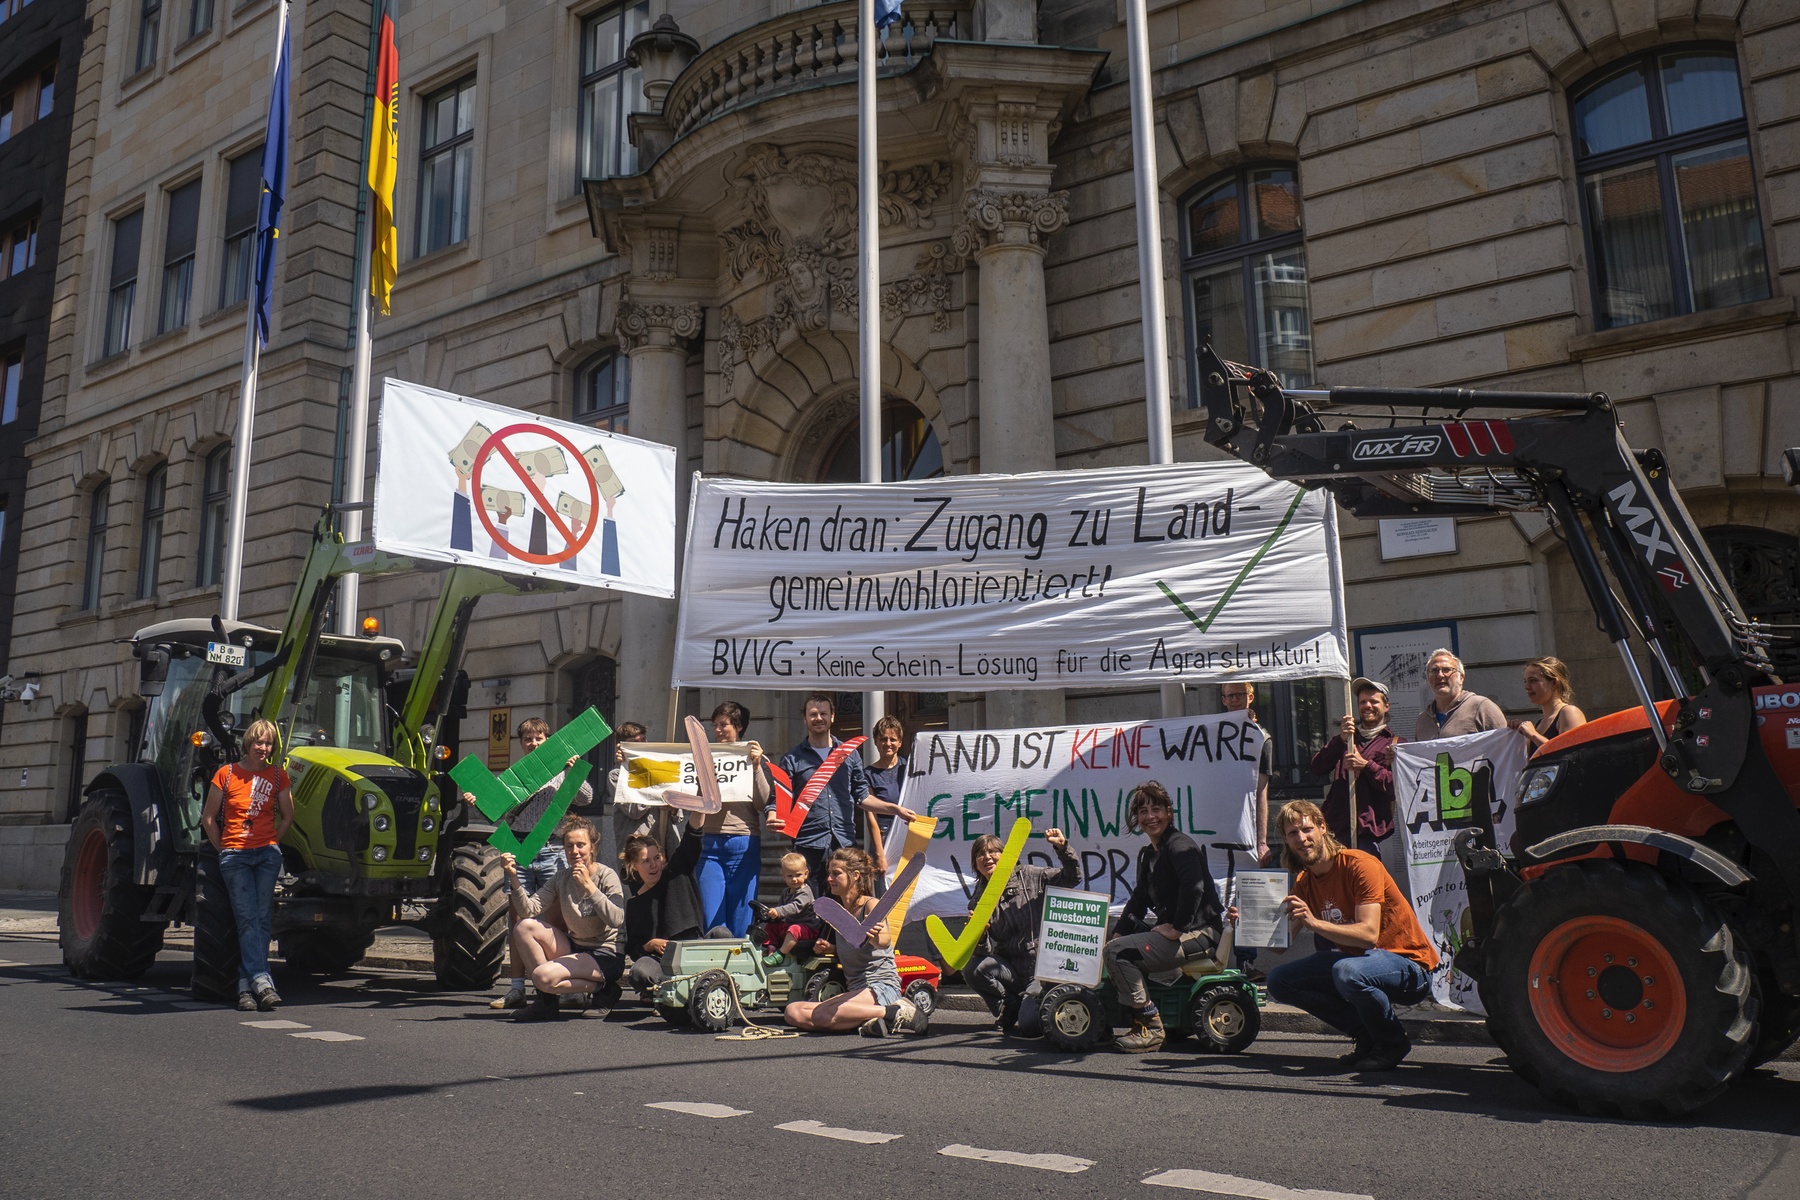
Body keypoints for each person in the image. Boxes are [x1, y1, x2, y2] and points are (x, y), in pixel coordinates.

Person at [1261, 800, 1440, 1070]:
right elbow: (1279, 947)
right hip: (1358, 965)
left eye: (1307, 829)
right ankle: (1367, 1033)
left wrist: (1314, 923)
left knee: (1346, 971)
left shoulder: (1360, 865)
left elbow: (1368, 935)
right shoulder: (1304, 881)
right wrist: (1246, 924)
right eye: (1292, 833)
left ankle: (1392, 1042)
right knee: (1279, 981)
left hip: (1408, 965)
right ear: (1286, 840)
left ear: (1323, 827)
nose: (1302, 838)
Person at [478, 717, 593, 1010]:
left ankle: (558, 985)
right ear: (521, 743)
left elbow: (587, 797)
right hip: (518, 850)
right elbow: (497, 812)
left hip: (553, 849)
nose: (534, 743)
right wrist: (477, 800)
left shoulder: (562, 769)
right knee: (518, 921)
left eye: (539, 738)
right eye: (528, 739)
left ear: (548, 740)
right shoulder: (515, 776)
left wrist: (573, 770)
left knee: (554, 920)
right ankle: (517, 989)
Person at [1101, 782, 1225, 1053]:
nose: (1150, 817)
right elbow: (1139, 898)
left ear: (1169, 812)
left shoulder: (1181, 845)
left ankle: (1150, 1027)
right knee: (1118, 946)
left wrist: (1178, 928)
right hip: (1185, 932)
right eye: (1143, 811)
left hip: (1202, 933)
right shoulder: (1150, 854)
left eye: (1156, 809)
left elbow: (1194, 887)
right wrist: (1119, 931)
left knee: (1117, 955)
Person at [200, 718, 295, 1012]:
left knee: (262, 919)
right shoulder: (226, 774)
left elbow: (287, 815)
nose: (264, 748)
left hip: (266, 855)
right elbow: (208, 818)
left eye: (268, 743)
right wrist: (225, 848)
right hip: (236, 857)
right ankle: (262, 981)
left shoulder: (278, 776)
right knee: (248, 918)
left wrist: (271, 844)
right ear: (247, 744)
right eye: (259, 742)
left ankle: (245, 985)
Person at [782, 846, 927, 1038]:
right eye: (829, 873)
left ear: (855, 875)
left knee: (823, 1015)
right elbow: (855, 946)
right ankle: (869, 1021)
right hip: (856, 989)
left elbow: (884, 941)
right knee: (793, 1011)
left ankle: (894, 1011)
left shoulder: (870, 905)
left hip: (880, 987)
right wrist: (830, 948)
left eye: (836, 874)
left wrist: (874, 936)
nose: (829, 879)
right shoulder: (839, 912)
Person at [505, 815, 627, 1022]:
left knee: (542, 977)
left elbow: (616, 919)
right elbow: (529, 910)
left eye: (581, 845)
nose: (575, 852)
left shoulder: (607, 876)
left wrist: (590, 887)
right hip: (575, 947)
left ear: (593, 847)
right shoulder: (561, 877)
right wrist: (514, 878)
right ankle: (546, 1003)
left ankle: (605, 989)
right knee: (524, 927)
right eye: (569, 846)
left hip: (605, 953)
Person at [966, 827, 1078, 1034]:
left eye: (993, 852)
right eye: (980, 854)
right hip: (1011, 971)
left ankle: (1028, 1004)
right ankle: (1009, 1005)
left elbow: (1072, 878)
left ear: (1005, 855)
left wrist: (1062, 847)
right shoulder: (978, 901)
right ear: (975, 864)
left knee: (1029, 1026)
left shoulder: (1029, 875)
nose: (987, 857)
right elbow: (984, 953)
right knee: (972, 967)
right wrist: (980, 937)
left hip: (1040, 971)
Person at [771, 693, 869, 887]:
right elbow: (777, 798)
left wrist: (894, 809)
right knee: (811, 909)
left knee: (845, 910)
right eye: (813, 714)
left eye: (823, 713)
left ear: (832, 716)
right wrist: (772, 814)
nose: (818, 718)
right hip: (808, 844)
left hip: (844, 843)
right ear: (805, 719)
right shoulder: (792, 759)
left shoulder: (849, 754)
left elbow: (863, 796)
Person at [621, 807, 720, 995]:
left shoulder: (677, 873)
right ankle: (673, 989)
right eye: (646, 861)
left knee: (722, 934)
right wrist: (649, 945)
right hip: (662, 961)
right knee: (640, 973)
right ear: (634, 866)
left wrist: (700, 804)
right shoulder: (634, 904)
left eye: (656, 858)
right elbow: (633, 948)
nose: (653, 865)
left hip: (693, 949)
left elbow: (693, 834)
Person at [695, 701, 770, 937]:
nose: (717, 730)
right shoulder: (703, 758)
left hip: (744, 842)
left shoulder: (752, 757)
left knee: (742, 914)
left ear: (738, 727)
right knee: (711, 915)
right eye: (715, 725)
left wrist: (757, 767)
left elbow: (763, 803)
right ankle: (713, 969)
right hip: (709, 844)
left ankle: (737, 968)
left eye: (723, 724)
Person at [1309, 678, 1401, 852]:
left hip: (1369, 834)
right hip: (1335, 828)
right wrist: (1341, 740)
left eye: (1374, 701)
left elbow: (1395, 786)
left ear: (1386, 706)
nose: (1368, 706)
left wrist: (1366, 766)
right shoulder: (1348, 739)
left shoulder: (1395, 744)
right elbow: (1317, 767)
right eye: (1363, 702)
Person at [861, 713, 923, 891]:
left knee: (910, 890)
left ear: (900, 742)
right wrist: (879, 853)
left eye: (892, 739)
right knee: (886, 892)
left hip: (910, 833)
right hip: (884, 836)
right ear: (875, 741)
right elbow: (871, 818)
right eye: (883, 739)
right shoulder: (868, 774)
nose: (888, 743)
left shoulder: (910, 768)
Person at [1219, 683, 1272, 863]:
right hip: (1215, 825)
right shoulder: (1210, 733)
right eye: (1230, 696)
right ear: (1223, 700)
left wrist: (1262, 842)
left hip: (1245, 829)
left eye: (1240, 694)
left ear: (1250, 697)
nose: (1235, 700)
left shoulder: (1261, 738)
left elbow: (1261, 792)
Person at [612, 722, 681, 860]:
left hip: (666, 845)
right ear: (622, 746)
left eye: (643, 740)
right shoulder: (616, 776)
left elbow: (677, 816)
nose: (641, 745)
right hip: (639, 850)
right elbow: (635, 810)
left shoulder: (660, 769)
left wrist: (673, 808)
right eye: (635, 742)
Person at [1413, 649, 1507, 742]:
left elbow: (1505, 745)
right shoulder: (1423, 720)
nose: (1440, 675)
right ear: (1428, 679)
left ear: (1461, 678)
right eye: (1434, 671)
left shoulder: (1481, 707)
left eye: (1447, 670)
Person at [752, 852, 821, 964]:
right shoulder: (786, 892)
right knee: (772, 926)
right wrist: (772, 916)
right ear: (783, 876)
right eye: (790, 876)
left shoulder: (805, 893)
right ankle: (771, 947)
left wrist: (778, 911)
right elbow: (781, 909)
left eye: (798, 875)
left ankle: (781, 954)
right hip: (789, 924)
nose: (794, 879)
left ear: (806, 874)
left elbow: (794, 907)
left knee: (794, 929)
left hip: (807, 927)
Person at [1511, 656, 1586, 752]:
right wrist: (1518, 734)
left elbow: (1571, 754)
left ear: (1554, 682)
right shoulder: (1539, 723)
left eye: (1533, 680)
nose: (1527, 687)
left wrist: (1533, 735)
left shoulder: (1569, 712)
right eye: (1525, 681)